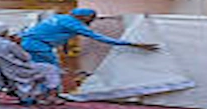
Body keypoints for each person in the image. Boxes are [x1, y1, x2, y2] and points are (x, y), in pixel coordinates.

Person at [18, 7, 159, 67]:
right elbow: (99, 37)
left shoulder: (60, 17)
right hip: (39, 46)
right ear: (83, 17)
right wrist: (131, 44)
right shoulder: (74, 24)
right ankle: (48, 95)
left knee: (35, 68)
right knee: (50, 69)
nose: (92, 20)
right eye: (91, 17)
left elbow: (53, 32)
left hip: (29, 42)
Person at [0, 21, 63, 104]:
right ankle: (52, 95)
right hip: (11, 73)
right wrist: (17, 44)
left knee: (39, 70)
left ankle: (33, 94)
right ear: (3, 31)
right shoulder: (6, 44)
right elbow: (26, 58)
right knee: (50, 68)